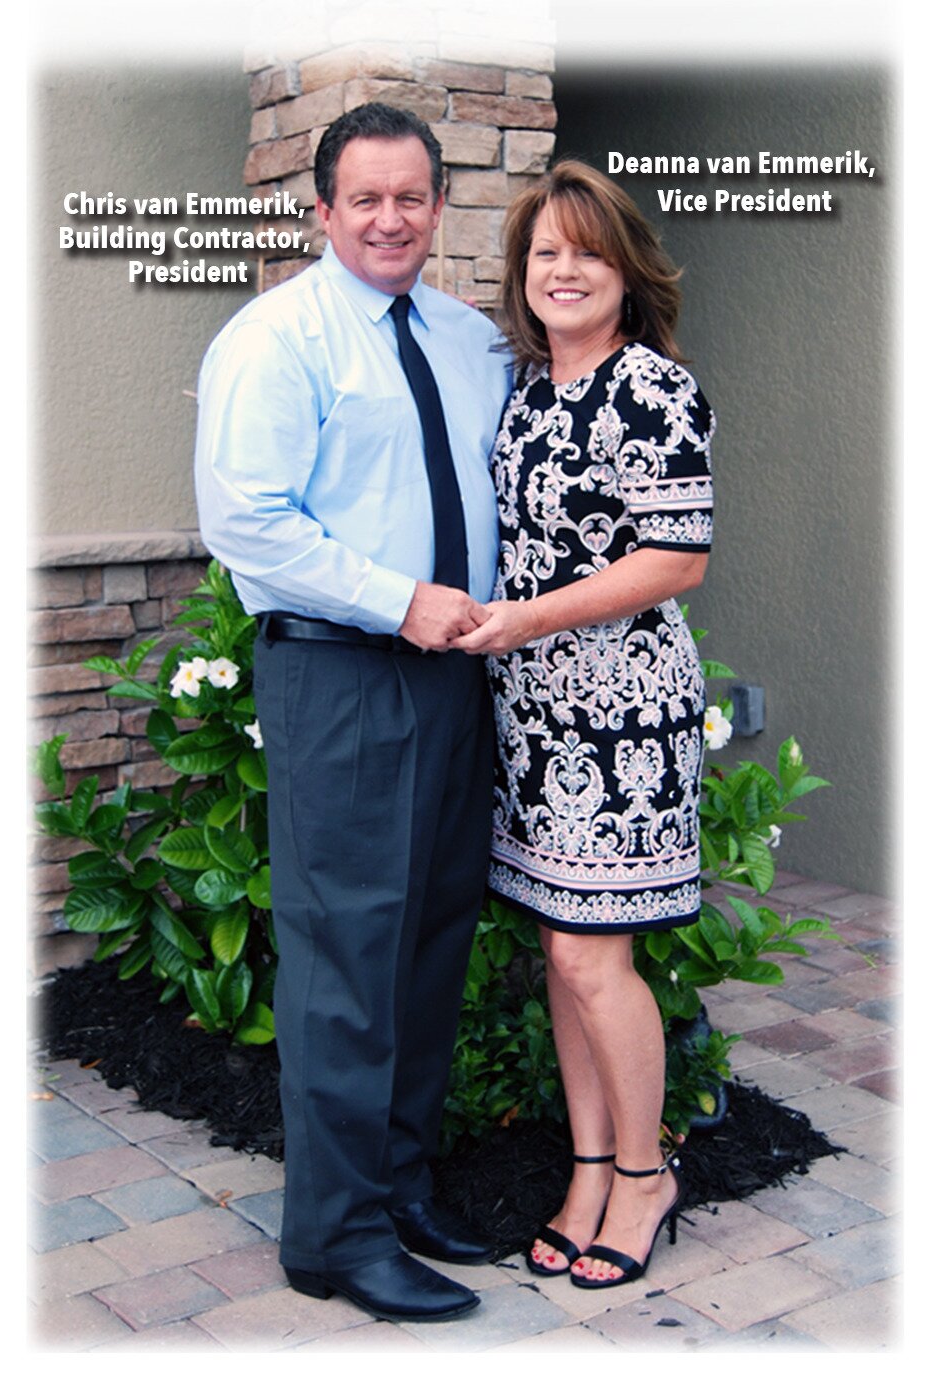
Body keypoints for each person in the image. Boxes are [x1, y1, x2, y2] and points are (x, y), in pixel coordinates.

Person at [193, 102, 512, 1322]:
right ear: (321, 208)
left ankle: (400, 1186)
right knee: (345, 957)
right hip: (340, 672)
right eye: (365, 197)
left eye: (412, 196)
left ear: (439, 205)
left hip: (455, 674)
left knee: (429, 939)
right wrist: (399, 601)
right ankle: (332, 1237)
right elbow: (249, 523)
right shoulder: (277, 339)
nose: (391, 218)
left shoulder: (468, 338)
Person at [453, 160, 714, 1288]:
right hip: (534, 715)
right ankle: (591, 1166)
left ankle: (647, 1175)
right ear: (523, 274)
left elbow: (677, 557)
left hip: (622, 712)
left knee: (588, 953)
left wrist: (526, 620)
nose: (563, 269)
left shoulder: (650, 387)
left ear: (625, 271)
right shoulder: (523, 389)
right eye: (545, 252)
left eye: (587, 251)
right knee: (561, 958)